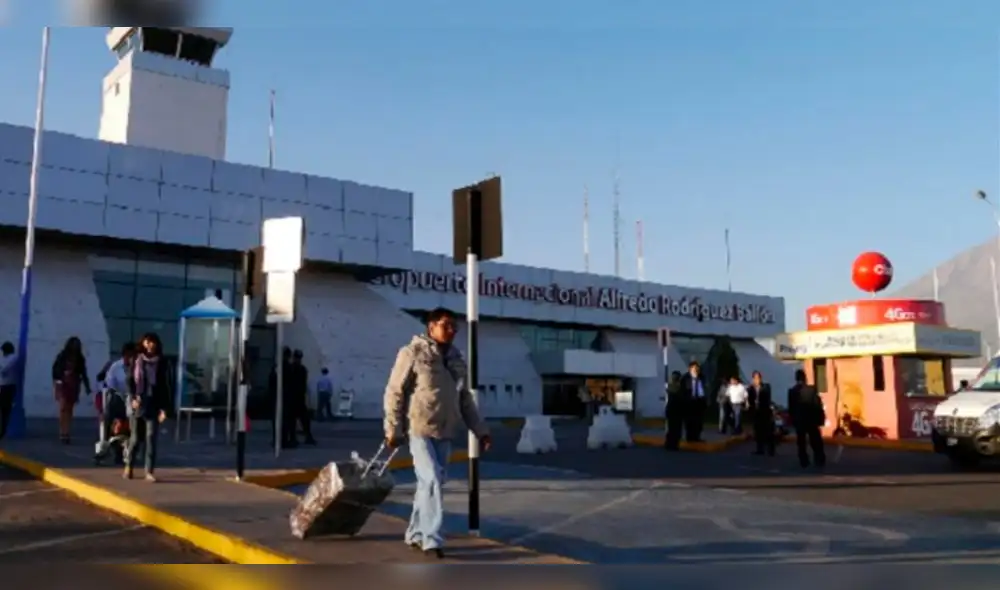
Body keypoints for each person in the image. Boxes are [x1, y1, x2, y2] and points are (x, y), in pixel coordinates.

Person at [384, 307, 491, 559]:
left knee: (428, 484)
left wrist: (481, 431)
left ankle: (414, 533)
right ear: (431, 327)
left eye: (455, 326)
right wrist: (392, 428)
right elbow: (394, 392)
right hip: (419, 428)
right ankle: (431, 539)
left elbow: (465, 400)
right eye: (446, 325)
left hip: (445, 431)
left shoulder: (456, 359)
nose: (452, 330)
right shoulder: (412, 353)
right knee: (431, 479)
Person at [124, 333, 171, 482]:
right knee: (136, 438)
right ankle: (129, 466)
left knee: (151, 437)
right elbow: (130, 381)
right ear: (143, 343)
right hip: (139, 402)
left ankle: (149, 471)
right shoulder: (136, 360)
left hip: (154, 403)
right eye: (147, 342)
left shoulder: (162, 362)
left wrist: (164, 408)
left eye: (153, 342)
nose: (150, 345)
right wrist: (132, 398)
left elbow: (165, 386)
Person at [98, 342, 136, 464]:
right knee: (110, 422)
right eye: (128, 356)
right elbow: (110, 386)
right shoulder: (115, 367)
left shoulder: (138, 367)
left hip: (133, 400)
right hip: (117, 398)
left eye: (132, 356)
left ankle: (128, 451)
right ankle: (105, 448)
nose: (130, 359)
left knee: (132, 426)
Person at [51, 336, 92, 444]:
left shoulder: (80, 358)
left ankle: (66, 432)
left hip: (73, 384)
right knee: (63, 407)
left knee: (69, 408)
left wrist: (87, 386)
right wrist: (59, 378)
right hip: (63, 383)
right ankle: (62, 432)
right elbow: (55, 369)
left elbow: (83, 373)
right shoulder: (62, 356)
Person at [787, 368, 826, 468]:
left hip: (800, 420)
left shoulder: (792, 391)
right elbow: (818, 405)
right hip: (811, 419)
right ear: (805, 378)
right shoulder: (811, 389)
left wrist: (793, 420)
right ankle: (819, 458)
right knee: (815, 441)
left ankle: (803, 460)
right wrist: (820, 419)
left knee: (801, 442)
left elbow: (791, 408)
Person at [269, 347, 295, 448]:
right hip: (286, 398)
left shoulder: (277, 367)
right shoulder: (288, 367)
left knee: (277, 420)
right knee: (285, 421)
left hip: (278, 397)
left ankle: (278, 440)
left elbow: (271, 381)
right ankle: (283, 440)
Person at [290, 350, 316, 445]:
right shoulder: (296, 368)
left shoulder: (299, 369)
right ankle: (294, 437)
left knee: (303, 419)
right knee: (294, 420)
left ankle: (306, 436)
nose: (298, 359)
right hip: (294, 397)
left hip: (298, 397)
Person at [747, 370, 775, 456]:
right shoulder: (750, 389)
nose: (757, 380)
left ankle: (771, 450)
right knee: (758, 431)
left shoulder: (766, 387)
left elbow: (767, 398)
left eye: (758, 378)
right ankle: (760, 449)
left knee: (768, 431)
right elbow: (750, 400)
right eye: (755, 378)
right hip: (756, 412)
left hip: (765, 412)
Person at [679, 361, 707, 443]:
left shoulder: (701, 377)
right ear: (690, 369)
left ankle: (697, 437)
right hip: (689, 403)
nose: (696, 370)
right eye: (694, 368)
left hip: (699, 402)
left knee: (698, 421)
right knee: (689, 421)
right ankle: (690, 437)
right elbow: (683, 391)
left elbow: (705, 389)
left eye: (697, 368)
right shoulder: (685, 378)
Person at [0, 342, 18, 439]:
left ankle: (3, 430)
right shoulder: (4, 358)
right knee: (4, 409)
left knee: (5, 409)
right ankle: (3, 429)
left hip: (8, 386)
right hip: (3, 385)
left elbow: (4, 369)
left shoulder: (13, 358)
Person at [663, 371, 684, 450]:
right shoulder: (676, 387)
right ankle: (672, 444)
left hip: (673, 410)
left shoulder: (672, 386)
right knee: (675, 428)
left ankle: (671, 444)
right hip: (675, 410)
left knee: (672, 428)